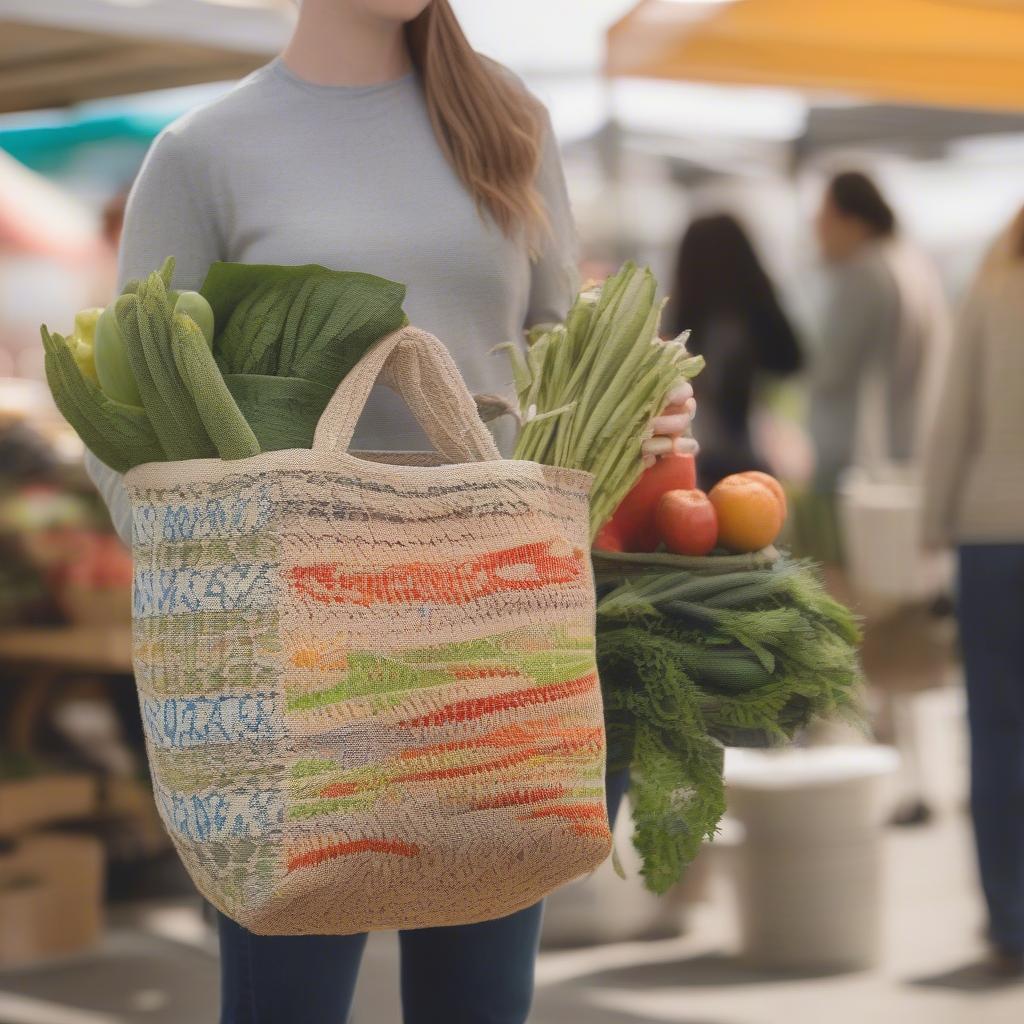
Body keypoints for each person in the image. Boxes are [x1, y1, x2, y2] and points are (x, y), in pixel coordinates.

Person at [82, 3, 695, 1021]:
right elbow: (131, 428)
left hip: (490, 638)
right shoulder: (203, 153)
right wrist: (215, 581)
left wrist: (637, 402)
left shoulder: (506, 118)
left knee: (481, 1005)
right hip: (299, 656)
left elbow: (552, 354)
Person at [921, 205, 1024, 977]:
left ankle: (1011, 917)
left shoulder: (995, 279)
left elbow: (952, 417)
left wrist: (932, 524)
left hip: (991, 534)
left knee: (994, 733)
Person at [809, 170, 950, 492]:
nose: (818, 230)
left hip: (861, 456)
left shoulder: (865, 272)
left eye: (825, 218)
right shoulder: (912, 262)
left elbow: (832, 367)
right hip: (909, 440)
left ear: (853, 221)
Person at [665, 213, 802, 489]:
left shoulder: (687, 314)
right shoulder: (757, 309)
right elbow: (792, 360)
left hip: (696, 455)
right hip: (752, 457)